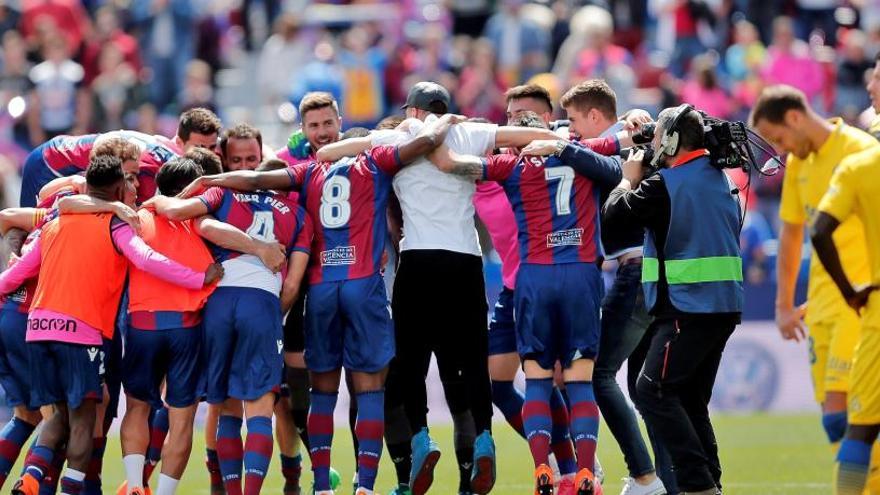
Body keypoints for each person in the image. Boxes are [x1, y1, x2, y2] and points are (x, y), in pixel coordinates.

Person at [177, 112, 462, 495]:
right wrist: (444, 120)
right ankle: (364, 486)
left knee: (319, 393)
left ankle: (319, 485)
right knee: (370, 390)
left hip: (320, 290)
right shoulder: (373, 162)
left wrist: (209, 179)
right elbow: (424, 143)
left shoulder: (309, 170)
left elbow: (257, 179)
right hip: (361, 284)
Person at [0, 155, 221, 495]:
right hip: (82, 330)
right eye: (129, 181)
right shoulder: (116, 225)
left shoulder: (56, 222)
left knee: (55, 414)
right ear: (118, 188)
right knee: (85, 419)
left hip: (38, 327)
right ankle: (74, 489)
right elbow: (147, 259)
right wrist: (197, 278)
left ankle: (31, 477)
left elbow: (19, 271)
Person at [432, 109, 622, 494]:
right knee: (579, 380)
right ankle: (586, 473)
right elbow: (622, 154)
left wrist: (441, 126)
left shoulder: (509, 166)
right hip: (581, 272)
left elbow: (446, 161)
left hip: (533, 277)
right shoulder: (580, 151)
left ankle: (543, 469)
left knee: (536, 379)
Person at [147, 159, 313, 495]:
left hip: (218, 301)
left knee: (225, 409)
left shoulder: (223, 193)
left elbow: (183, 215)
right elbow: (293, 285)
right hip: (262, 302)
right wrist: (272, 316)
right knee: (260, 411)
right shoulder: (299, 216)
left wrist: (156, 200)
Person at [603, 105, 744, 495]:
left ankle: (697, 485)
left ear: (672, 140)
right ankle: (709, 482)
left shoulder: (664, 184)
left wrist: (626, 180)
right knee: (690, 400)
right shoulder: (721, 179)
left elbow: (613, 218)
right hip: (723, 305)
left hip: (687, 307)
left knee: (652, 391)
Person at [750, 85, 877, 479]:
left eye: (778, 138)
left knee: (854, 418)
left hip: (858, 301)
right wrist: (783, 305)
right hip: (820, 304)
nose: (781, 149)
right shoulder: (800, 167)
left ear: (794, 117)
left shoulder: (859, 152)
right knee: (835, 424)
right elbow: (791, 235)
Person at [810, 144, 880, 494]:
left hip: (877, 311)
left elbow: (819, 231)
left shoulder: (862, 166)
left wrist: (850, 291)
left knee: (861, 427)